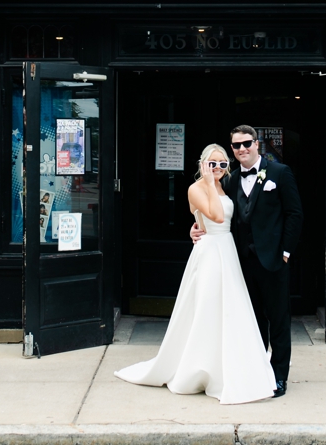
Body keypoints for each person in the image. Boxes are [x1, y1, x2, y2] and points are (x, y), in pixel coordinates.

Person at [115, 144, 277, 404]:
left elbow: (237, 217)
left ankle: (230, 365)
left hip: (228, 250)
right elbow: (213, 214)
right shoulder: (196, 188)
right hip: (209, 251)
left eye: (223, 164)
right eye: (212, 163)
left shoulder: (228, 184)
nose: (218, 168)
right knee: (207, 307)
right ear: (203, 164)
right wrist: (209, 185)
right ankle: (200, 368)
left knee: (231, 309)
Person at [191, 125, 303, 397]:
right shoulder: (228, 181)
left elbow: (294, 214)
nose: (242, 149)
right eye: (236, 145)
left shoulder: (279, 172)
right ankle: (256, 371)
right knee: (251, 320)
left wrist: (286, 252)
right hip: (239, 262)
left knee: (277, 320)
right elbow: (216, 214)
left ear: (257, 143)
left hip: (274, 260)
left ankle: (279, 376)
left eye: (246, 143)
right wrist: (195, 228)